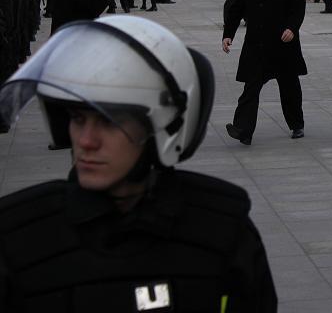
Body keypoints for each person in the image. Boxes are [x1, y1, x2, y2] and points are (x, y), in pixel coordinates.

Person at [0, 16, 278, 312]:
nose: (86, 141)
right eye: (77, 119)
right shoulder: (18, 237)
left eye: (109, 122)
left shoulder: (224, 232)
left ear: (163, 128)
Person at [223, 0, 307, 144]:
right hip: (256, 44)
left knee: (289, 88)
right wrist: (228, 35)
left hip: (282, 44)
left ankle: (296, 124)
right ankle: (243, 129)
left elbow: (298, 7)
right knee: (250, 88)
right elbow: (236, 9)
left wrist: (291, 28)